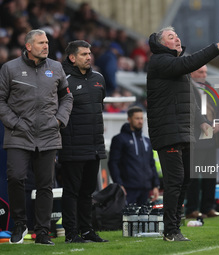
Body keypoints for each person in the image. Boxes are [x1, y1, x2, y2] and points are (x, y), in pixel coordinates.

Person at [147, 26, 219, 241]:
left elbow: (192, 102)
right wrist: (217, 47)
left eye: (177, 35)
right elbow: (189, 63)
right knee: (175, 180)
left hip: (184, 131)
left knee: (186, 179)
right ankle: (170, 230)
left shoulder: (178, 67)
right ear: (161, 44)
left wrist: (203, 122)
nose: (177, 38)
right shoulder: (160, 61)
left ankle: (175, 227)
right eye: (171, 36)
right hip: (168, 131)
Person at [0, 29, 73, 245]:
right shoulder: (9, 68)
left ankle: (42, 232)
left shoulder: (56, 67)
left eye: (47, 42)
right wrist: (15, 123)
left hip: (48, 134)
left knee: (45, 185)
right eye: (41, 42)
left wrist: (58, 120)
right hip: (18, 134)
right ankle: (20, 223)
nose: (46, 46)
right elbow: (1, 101)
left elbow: (67, 98)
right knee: (15, 177)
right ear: (29, 46)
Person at [59, 40, 107, 243]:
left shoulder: (99, 78)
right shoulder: (63, 80)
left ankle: (87, 230)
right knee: (71, 191)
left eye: (89, 53)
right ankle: (71, 233)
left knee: (88, 191)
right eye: (83, 54)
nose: (89, 57)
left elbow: (98, 107)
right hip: (72, 145)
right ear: (72, 57)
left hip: (95, 145)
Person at [186, 65, 219, 219]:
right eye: (200, 72)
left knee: (210, 174)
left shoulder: (210, 87)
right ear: (191, 72)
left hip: (212, 137)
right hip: (196, 137)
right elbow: (191, 110)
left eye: (205, 72)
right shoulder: (186, 87)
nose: (203, 75)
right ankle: (192, 209)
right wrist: (204, 123)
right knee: (194, 175)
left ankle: (208, 207)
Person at [108, 106, 160, 206]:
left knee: (143, 220)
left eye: (141, 118)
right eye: (137, 118)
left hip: (146, 189)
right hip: (128, 189)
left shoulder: (147, 140)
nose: (140, 121)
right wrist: (119, 184)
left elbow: (151, 163)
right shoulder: (119, 139)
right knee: (127, 220)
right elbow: (113, 163)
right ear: (129, 119)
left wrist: (155, 185)